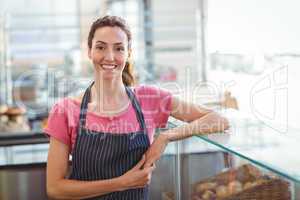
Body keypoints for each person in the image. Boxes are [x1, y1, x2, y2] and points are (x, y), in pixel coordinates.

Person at [45, 15, 229, 200]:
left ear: (129, 53)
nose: (109, 57)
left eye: (119, 48)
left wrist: (165, 137)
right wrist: (122, 183)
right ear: (89, 51)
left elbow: (218, 119)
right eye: (101, 47)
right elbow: (55, 189)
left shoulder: (148, 99)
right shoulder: (66, 110)